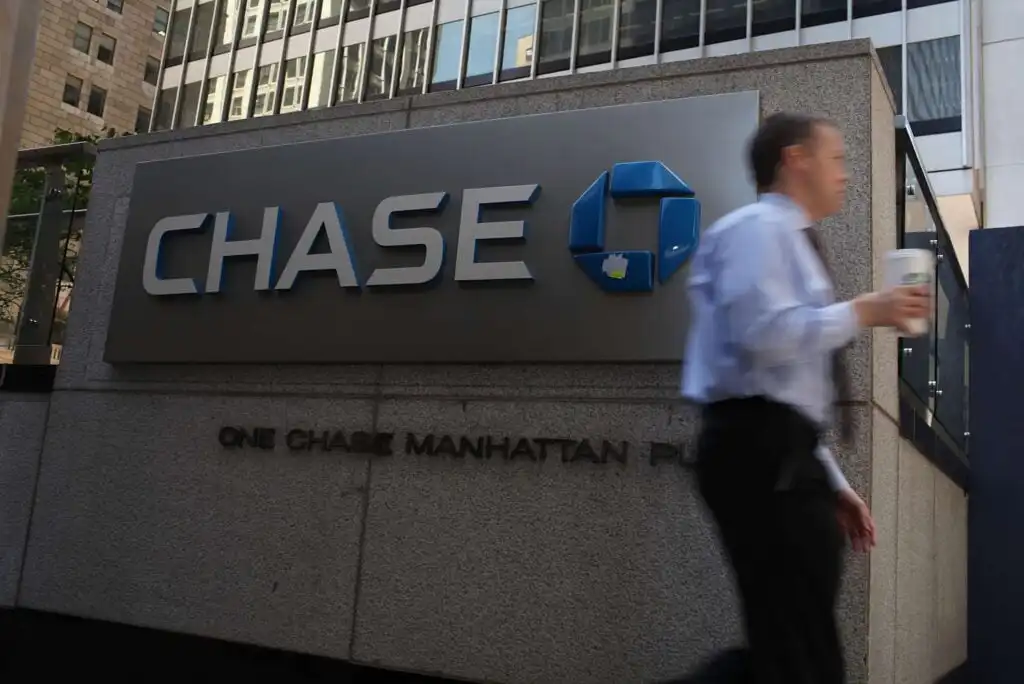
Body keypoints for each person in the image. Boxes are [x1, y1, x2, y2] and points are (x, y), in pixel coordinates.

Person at [678, 112, 931, 684]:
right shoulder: (756, 231)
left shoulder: (786, 240)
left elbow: (791, 392)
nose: (844, 173)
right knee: (799, 652)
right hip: (759, 454)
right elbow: (764, 338)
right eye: (836, 158)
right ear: (795, 159)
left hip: (784, 457)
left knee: (792, 647)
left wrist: (833, 483)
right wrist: (865, 311)